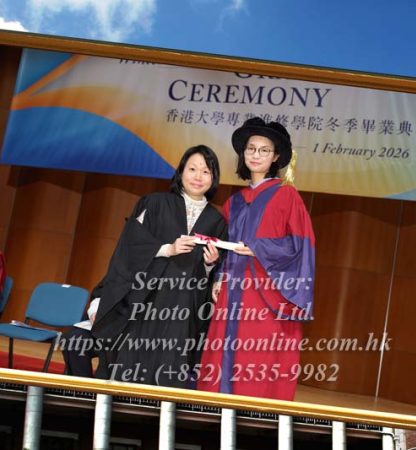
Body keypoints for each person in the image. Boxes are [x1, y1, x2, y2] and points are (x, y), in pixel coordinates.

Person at [85, 145, 227, 387]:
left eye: (206, 171)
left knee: (169, 373)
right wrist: (167, 249)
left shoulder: (217, 221)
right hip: (146, 300)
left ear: (213, 178)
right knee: (130, 368)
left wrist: (209, 264)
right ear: (181, 171)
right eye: (192, 169)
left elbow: (212, 277)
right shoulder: (154, 204)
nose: (198, 176)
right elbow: (130, 247)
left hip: (182, 310)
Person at [197, 118, 315, 401]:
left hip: (266, 292)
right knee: (222, 356)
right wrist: (217, 272)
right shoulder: (234, 202)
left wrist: (258, 247)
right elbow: (225, 247)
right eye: (251, 148)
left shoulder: (287, 196)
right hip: (232, 289)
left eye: (264, 150)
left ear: (275, 157)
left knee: (256, 360)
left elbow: (301, 246)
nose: (256, 155)